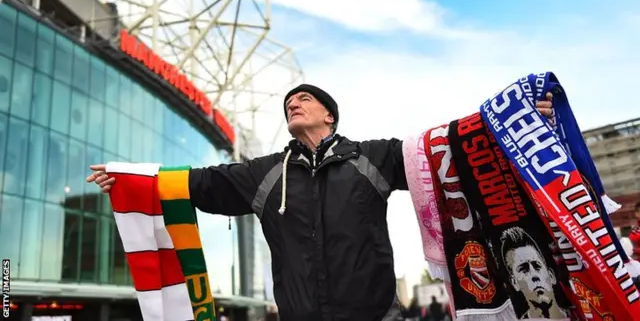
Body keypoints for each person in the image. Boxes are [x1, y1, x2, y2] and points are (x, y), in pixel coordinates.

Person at [87, 84, 555, 321]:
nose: (294, 103)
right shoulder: (264, 173)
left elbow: (446, 148)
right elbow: (197, 183)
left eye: (305, 98)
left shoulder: (376, 157)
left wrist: (516, 124)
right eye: (289, 101)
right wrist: (133, 181)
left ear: (328, 115)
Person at [500, 227, 567, 319]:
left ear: (551, 276)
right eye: (524, 269)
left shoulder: (580, 313)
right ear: (514, 283)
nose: (534, 276)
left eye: (537, 266)